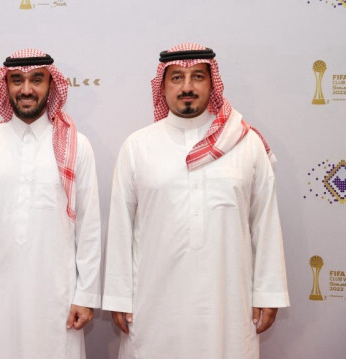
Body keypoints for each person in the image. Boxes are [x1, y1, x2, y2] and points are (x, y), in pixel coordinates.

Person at [102, 43, 289, 358]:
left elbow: (265, 222)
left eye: (197, 77)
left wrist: (268, 292)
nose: (187, 87)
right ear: (162, 86)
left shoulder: (246, 143)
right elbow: (121, 227)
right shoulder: (137, 146)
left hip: (228, 303)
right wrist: (119, 297)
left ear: (212, 83)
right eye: (176, 77)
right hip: (154, 303)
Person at [0, 49, 101, 358]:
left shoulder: (77, 145)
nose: (26, 89)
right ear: (5, 87)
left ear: (52, 85)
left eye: (37, 79)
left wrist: (85, 294)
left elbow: (89, 226)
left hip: (57, 293)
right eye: (16, 80)